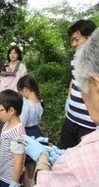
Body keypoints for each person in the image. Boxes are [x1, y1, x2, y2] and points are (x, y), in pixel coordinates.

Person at [22, 27, 99, 186]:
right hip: (72, 119)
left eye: (82, 85)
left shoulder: (76, 163)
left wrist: (43, 160)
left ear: (96, 85)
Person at [59, 19, 97, 149]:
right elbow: (74, 80)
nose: (73, 44)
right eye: (72, 40)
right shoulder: (76, 58)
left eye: (77, 39)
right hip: (71, 117)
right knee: (63, 153)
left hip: (89, 124)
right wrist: (68, 103)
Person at [17, 75, 44, 187]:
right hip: (36, 133)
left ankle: (27, 183)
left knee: (24, 162)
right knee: (33, 162)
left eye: (20, 91)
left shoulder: (26, 104)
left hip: (26, 133)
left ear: (25, 90)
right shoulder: (39, 103)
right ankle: (33, 181)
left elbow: (21, 124)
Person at [0, 89, 26, 187]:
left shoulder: (17, 134)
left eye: (0, 110)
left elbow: (18, 162)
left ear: (11, 110)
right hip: (1, 173)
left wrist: (14, 182)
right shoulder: (7, 124)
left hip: (9, 179)